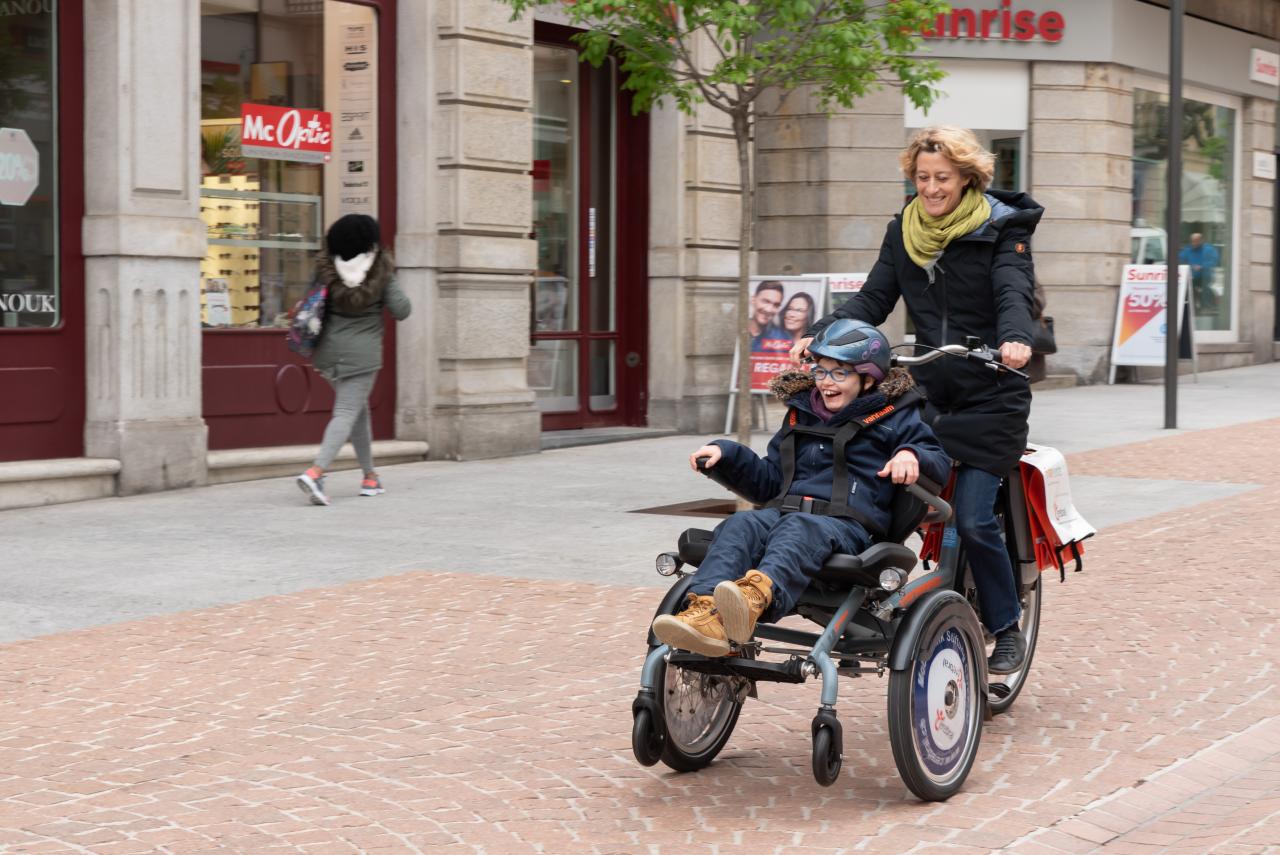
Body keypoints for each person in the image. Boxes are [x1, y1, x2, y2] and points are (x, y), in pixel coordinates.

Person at [788, 125, 1042, 674]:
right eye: (922, 177)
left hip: (991, 396)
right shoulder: (903, 231)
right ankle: (863, 599)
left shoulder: (1001, 228)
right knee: (879, 493)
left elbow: (1011, 289)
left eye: (942, 178)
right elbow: (875, 297)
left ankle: (1005, 626)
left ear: (966, 178)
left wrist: (1016, 338)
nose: (930, 188)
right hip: (927, 391)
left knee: (973, 521)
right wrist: (824, 329)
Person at [652, 319, 950, 657]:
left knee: (798, 527)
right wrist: (728, 456)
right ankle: (704, 612)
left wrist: (912, 456)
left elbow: (936, 458)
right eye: (821, 372)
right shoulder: (800, 415)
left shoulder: (896, 417)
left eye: (840, 373)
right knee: (741, 524)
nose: (826, 382)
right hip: (784, 512)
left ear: (868, 378)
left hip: (849, 528)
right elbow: (769, 482)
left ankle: (752, 600)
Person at [296, 214, 411, 506]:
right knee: (347, 411)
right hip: (362, 354)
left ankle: (370, 476)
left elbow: (310, 299)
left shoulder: (325, 268)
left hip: (329, 353)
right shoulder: (381, 270)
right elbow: (402, 309)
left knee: (358, 411)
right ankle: (316, 472)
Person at [1179, 232, 1219, 314]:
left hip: (1205, 275)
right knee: (1189, 288)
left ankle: (1207, 306)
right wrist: (1189, 266)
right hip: (1192, 276)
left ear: (1201, 240)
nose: (1194, 243)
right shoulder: (1188, 249)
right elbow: (1180, 259)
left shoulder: (1208, 249)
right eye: (1192, 241)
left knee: (1205, 288)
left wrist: (1202, 266)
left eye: (1196, 241)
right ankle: (1192, 308)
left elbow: (1214, 261)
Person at [748, 280, 789, 352]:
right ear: (753, 300)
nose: (769, 310)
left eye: (776, 305)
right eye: (765, 301)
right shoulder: (738, 328)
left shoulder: (782, 338)